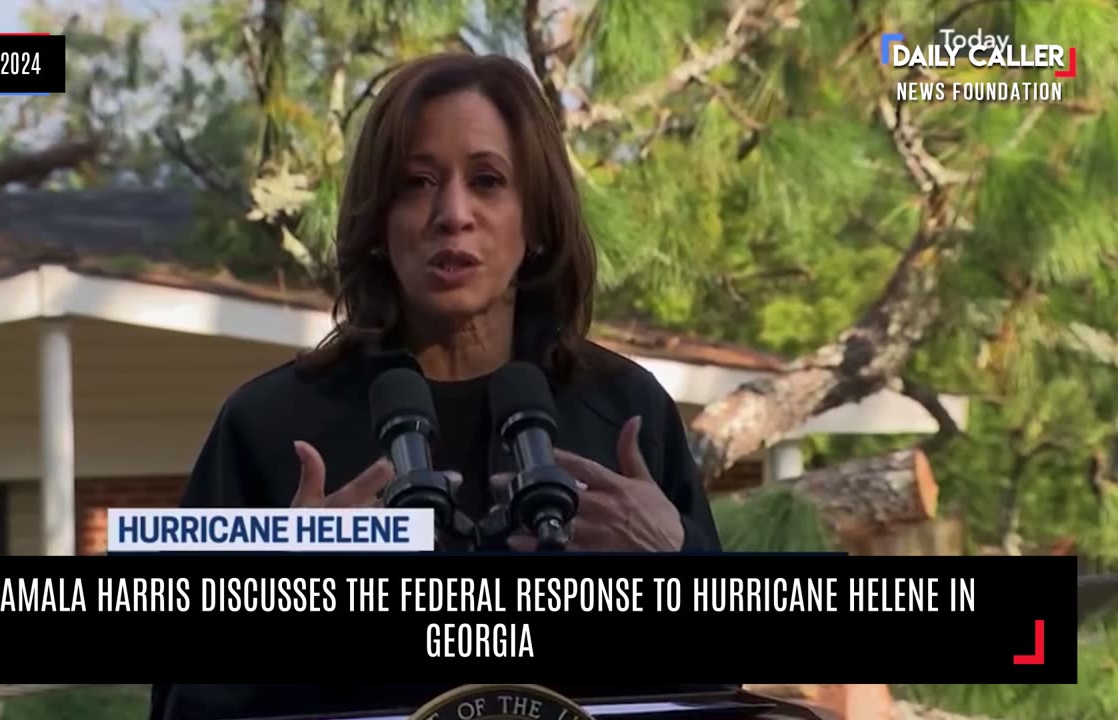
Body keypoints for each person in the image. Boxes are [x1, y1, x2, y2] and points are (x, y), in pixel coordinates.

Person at [151, 52, 723, 720]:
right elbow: (181, 704)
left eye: (487, 181)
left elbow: (714, 689)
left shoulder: (625, 411)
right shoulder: (268, 426)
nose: (452, 214)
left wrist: (675, 559)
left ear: (534, 220)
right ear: (378, 221)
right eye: (418, 183)